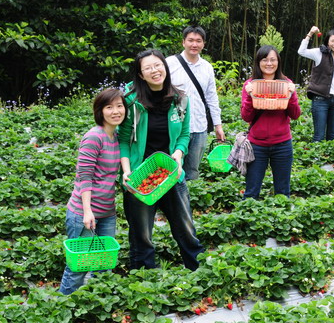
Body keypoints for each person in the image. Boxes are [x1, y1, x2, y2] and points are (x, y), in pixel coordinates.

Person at [118, 49, 204, 270]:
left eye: (158, 65)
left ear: (165, 67)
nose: (154, 70)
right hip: (140, 175)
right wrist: (127, 171)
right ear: (141, 74)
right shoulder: (130, 101)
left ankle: (198, 270)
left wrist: (178, 154)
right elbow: (124, 140)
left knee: (185, 228)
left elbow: (184, 134)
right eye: (148, 68)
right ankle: (144, 277)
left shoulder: (180, 99)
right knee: (141, 233)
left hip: (171, 172)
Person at [59, 88, 126, 295]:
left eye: (119, 106)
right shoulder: (94, 137)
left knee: (104, 265)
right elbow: (84, 176)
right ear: (100, 111)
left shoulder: (117, 137)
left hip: (107, 212)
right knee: (78, 267)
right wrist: (87, 211)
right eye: (109, 107)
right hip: (84, 213)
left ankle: (96, 304)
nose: (116, 111)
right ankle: (64, 304)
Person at [166, 26, 225, 180]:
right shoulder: (169, 63)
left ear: (203, 44)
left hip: (199, 127)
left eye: (198, 41)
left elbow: (212, 97)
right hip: (175, 126)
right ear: (183, 42)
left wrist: (218, 125)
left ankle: (190, 194)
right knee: (170, 169)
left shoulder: (207, 67)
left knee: (192, 171)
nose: (194, 44)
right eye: (190, 40)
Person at [241, 45, 301, 199]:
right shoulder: (250, 85)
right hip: (257, 145)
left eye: (273, 60)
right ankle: (248, 213)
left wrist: (291, 95)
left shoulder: (286, 83)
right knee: (251, 192)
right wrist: (250, 97)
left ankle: (282, 214)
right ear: (258, 62)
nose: (269, 63)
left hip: (282, 144)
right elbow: (246, 117)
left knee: (283, 192)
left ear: (278, 62)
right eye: (265, 60)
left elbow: (295, 114)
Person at [298, 26, 334, 141]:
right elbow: (301, 51)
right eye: (332, 41)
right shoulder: (319, 53)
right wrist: (310, 34)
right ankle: (316, 153)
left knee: (332, 135)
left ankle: (329, 153)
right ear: (327, 42)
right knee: (319, 136)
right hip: (320, 99)